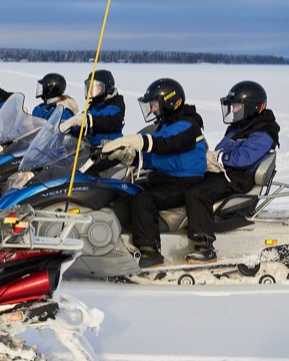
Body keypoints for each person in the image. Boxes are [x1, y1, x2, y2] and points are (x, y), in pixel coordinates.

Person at [102, 78, 206, 268]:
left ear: (170, 102)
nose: (152, 110)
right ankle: (117, 241)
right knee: (125, 190)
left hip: (185, 182)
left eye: (155, 105)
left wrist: (139, 140)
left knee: (144, 199)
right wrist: (130, 157)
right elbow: (157, 156)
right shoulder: (168, 125)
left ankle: (150, 251)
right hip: (166, 178)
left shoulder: (188, 125)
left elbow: (167, 144)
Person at [183, 81, 280, 263]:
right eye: (233, 107)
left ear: (252, 108)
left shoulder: (263, 132)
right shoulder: (239, 127)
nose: (233, 111)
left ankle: (205, 247)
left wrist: (220, 159)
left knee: (198, 194)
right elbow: (222, 149)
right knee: (185, 182)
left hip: (240, 178)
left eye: (237, 107)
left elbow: (243, 158)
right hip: (226, 173)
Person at [59, 69, 124, 147]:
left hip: (109, 149)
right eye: (91, 87)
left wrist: (90, 120)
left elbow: (108, 120)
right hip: (90, 148)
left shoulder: (115, 105)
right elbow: (82, 122)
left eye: (97, 88)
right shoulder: (94, 105)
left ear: (108, 88)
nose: (92, 91)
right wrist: (70, 126)